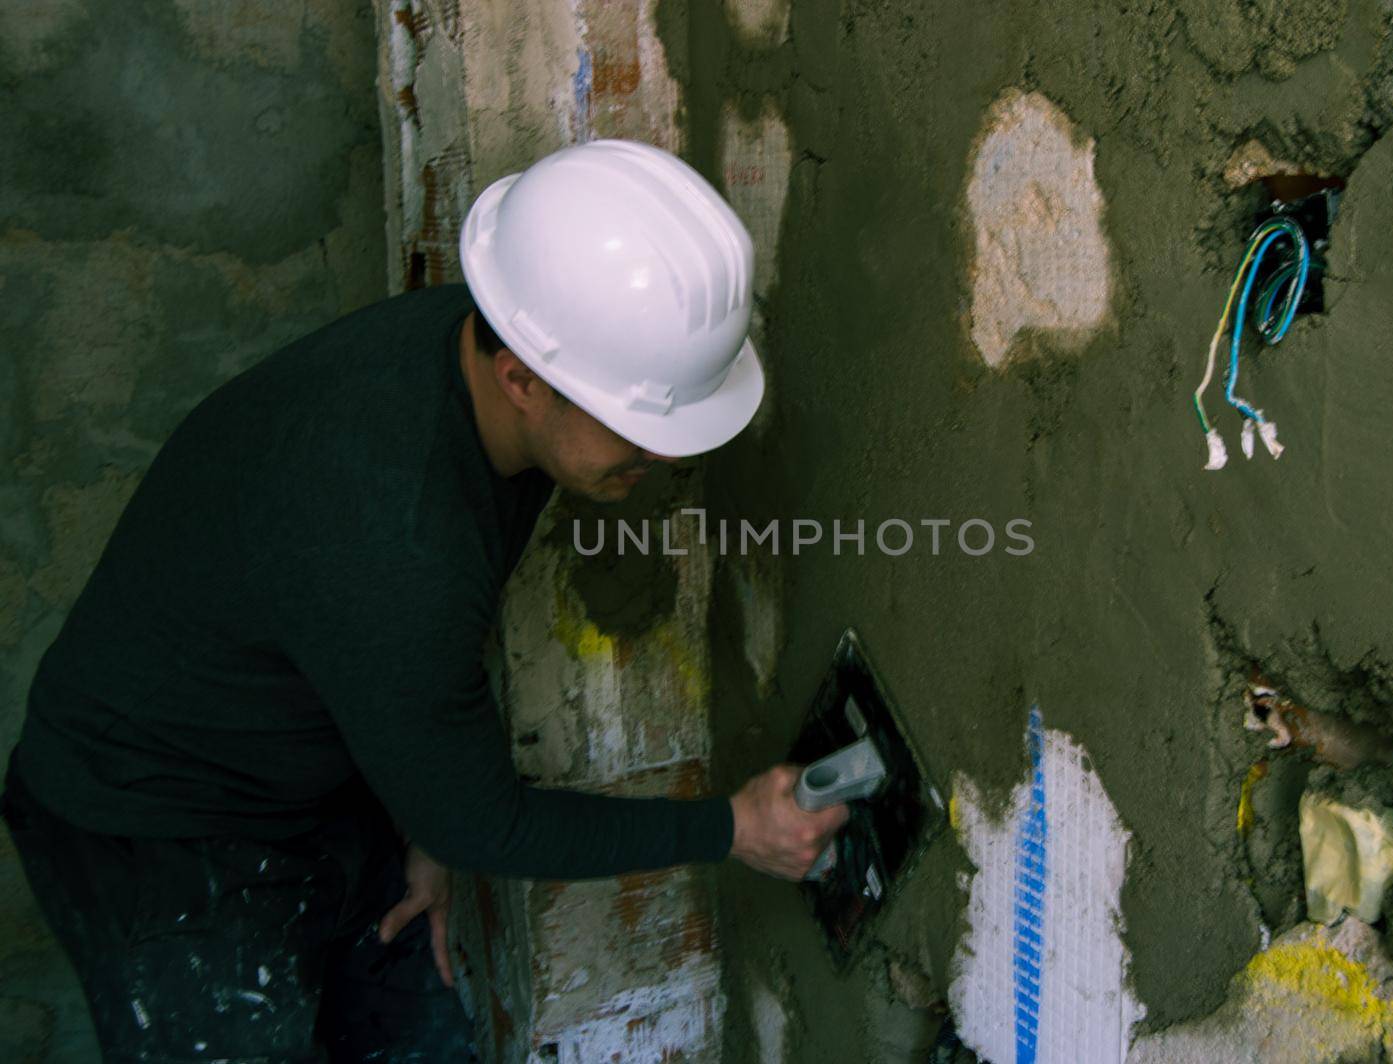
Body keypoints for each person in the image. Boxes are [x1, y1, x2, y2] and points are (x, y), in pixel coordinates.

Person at [1, 139, 848, 1063]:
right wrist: (731, 827)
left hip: (313, 776)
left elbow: (415, 704)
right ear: (522, 379)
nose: (667, 462)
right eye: (640, 435)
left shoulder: (481, 355)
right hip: (149, 829)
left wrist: (424, 818)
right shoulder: (393, 530)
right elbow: (485, 816)